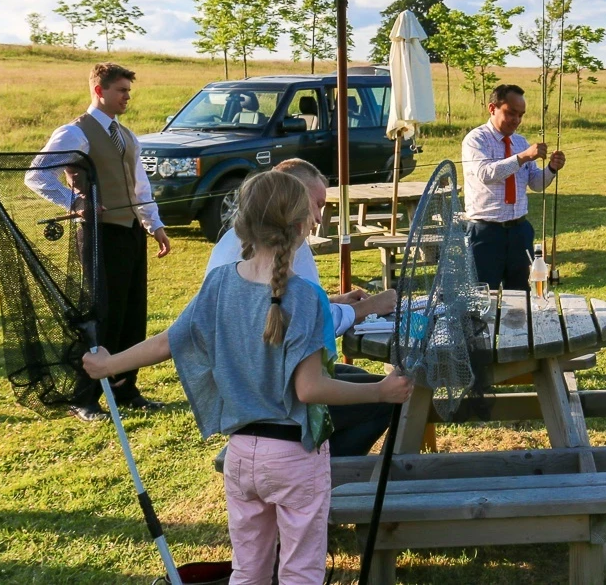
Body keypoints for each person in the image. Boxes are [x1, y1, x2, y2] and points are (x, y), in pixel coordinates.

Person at [83, 169, 413, 585]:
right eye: (313, 216)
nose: (316, 221)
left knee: (248, 571)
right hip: (294, 457)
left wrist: (109, 365)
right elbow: (309, 389)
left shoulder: (221, 282)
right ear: (299, 227)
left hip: (241, 456)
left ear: (243, 224)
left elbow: (170, 340)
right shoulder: (304, 296)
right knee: (299, 572)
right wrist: (381, 391)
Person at [206, 158, 396, 456]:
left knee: (359, 378)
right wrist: (365, 308)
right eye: (316, 204)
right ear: (290, 197)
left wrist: (333, 301)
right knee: (383, 399)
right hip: (276, 395)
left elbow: (278, 306)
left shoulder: (233, 247)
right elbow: (304, 329)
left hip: (251, 387)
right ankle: (329, 466)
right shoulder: (287, 247)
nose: (319, 217)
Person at [26, 62, 172, 422]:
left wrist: (154, 225)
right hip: (98, 234)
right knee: (99, 315)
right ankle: (83, 398)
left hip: (130, 233)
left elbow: (140, 187)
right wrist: (76, 202)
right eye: (121, 90)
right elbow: (36, 175)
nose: (127, 97)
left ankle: (125, 390)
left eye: (128, 91)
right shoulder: (75, 133)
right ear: (99, 91)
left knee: (131, 314)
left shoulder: (127, 135)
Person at [461, 84, 566, 293]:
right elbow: (486, 174)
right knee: (483, 296)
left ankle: (519, 325)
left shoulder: (520, 142)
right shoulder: (476, 139)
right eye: (511, 113)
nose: (516, 120)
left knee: (520, 295)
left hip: (519, 231)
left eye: (521, 115)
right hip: (485, 232)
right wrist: (523, 156)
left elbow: (535, 183)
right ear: (492, 108)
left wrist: (552, 169)